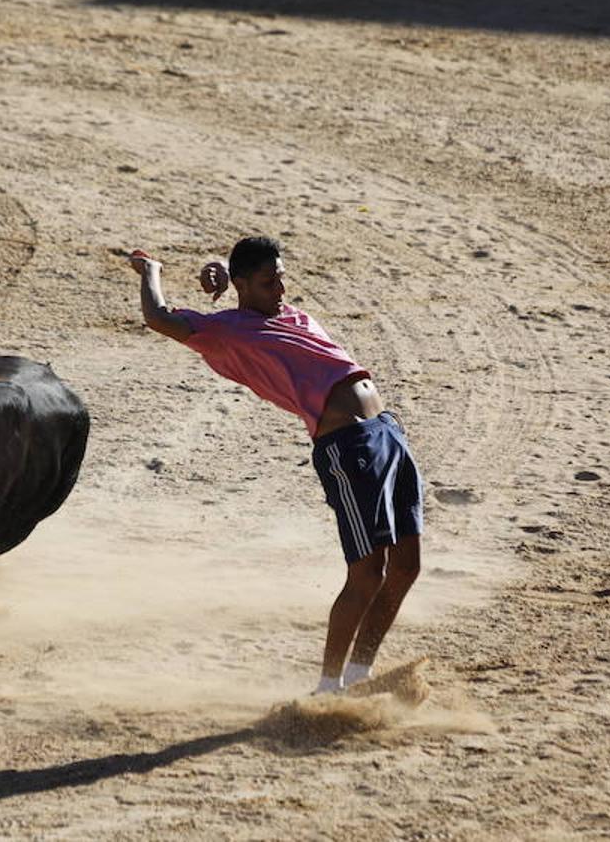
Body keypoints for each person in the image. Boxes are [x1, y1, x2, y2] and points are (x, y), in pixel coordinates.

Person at [128, 236, 425, 695]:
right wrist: (152, 271)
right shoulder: (226, 333)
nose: (281, 289)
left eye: (282, 277)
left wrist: (229, 281)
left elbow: (253, 298)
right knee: (367, 573)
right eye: (269, 282)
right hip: (348, 447)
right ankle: (328, 689)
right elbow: (159, 318)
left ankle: (360, 674)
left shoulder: (282, 313)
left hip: (387, 433)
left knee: (406, 566)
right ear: (248, 284)